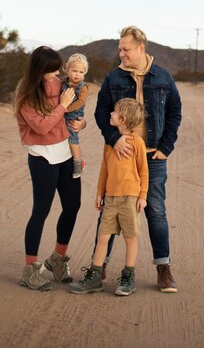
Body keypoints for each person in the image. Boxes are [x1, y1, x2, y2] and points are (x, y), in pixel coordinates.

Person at [94, 26, 182, 293]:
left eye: (125, 49)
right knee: (109, 209)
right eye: (120, 49)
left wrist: (166, 147)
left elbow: (175, 113)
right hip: (121, 154)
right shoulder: (114, 78)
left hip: (152, 156)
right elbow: (101, 112)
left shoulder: (163, 78)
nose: (121, 54)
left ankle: (163, 268)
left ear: (141, 48)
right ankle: (100, 267)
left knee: (155, 209)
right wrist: (114, 138)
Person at [14, 46, 84, 291]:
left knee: (73, 205)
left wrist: (80, 122)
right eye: (52, 69)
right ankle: (30, 269)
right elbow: (42, 127)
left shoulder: (57, 83)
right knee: (40, 211)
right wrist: (63, 106)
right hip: (42, 157)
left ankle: (56, 259)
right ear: (39, 69)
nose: (56, 74)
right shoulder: (25, 95)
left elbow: (69, 112)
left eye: (58, 69)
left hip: (65, 153)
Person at [70, 98, 148, 296]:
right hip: (111, 198)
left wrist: (142, 196)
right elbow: (104, 170)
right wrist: (99, 193)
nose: (110, 115)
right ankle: (95, 277)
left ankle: (128, 277)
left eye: (113, 113)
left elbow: (144, 171)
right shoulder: (110, 142)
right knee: (103, 236)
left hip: (130, 198)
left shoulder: (137, 142)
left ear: (122, 119)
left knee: (130, 238)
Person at [61, 53, 89, 178]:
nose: (78, 74)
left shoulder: (82, 88)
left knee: (72, 138)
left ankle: (78, 162)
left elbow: (81, 102)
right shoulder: (62, 83)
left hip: (73, 115)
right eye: (74, 71)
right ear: (67, 70)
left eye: (81, 72)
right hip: (62, 113)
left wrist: (66, 108)